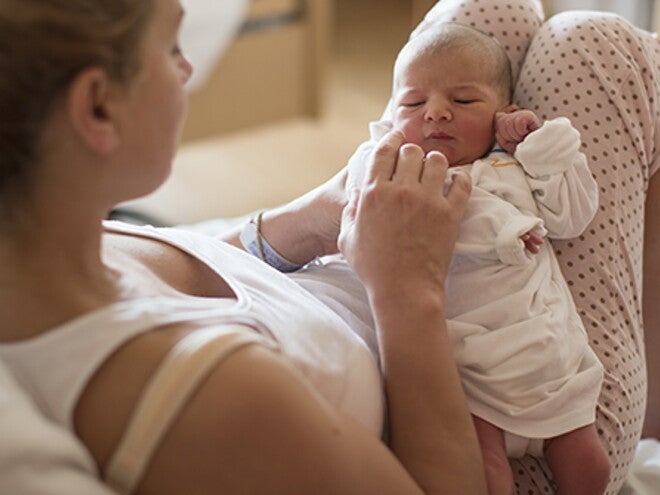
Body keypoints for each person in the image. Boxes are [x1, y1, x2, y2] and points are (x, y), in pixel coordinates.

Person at [0, 0, 485, 494]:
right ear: (99, 108)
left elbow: (198, 269)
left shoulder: (57, 244)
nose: (187, 69)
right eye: (172, 49)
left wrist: (302, 222)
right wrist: (410, 289)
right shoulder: (213, 400)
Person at [345, 21, 610, 494]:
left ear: (501, 113)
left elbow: (574, 218)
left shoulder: (512, 166)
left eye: (463, 101)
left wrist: (540, 146)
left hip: (547, 359)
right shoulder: (407, 178)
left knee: (592, 469)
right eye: (413, 103)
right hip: (468, 371)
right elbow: (407, 230)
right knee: (488, 475)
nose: (437, 114)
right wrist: (507, 234)